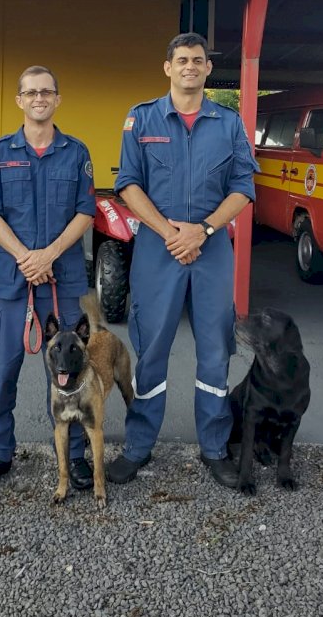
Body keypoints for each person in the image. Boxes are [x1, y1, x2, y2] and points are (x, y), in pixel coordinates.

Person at [106, 32, 258, 488]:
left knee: (215, 349)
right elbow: (129, 185)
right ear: (167, 67)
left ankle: (213, 447)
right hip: (158, 248)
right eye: (182, 60)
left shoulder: (228, 124)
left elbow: (243, 188)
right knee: (151, 349)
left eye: (198, 60)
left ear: (209, 69)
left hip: (210, 250)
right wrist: (170, 232)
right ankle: (138, 446)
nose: (190, 66)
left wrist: (204, 230)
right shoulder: (141, 118)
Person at [0, 66, 96, 491]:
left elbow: (85, 210)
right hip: (14, 282)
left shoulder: (77, 153)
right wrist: (27, 257)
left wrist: (50, 255)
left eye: (47, 91)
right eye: (31, 92)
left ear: (57, 99)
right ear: (20, 100)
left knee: (69, 373)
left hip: (64, 282)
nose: (39, 98)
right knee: (3, 370)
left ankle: (75, 457)